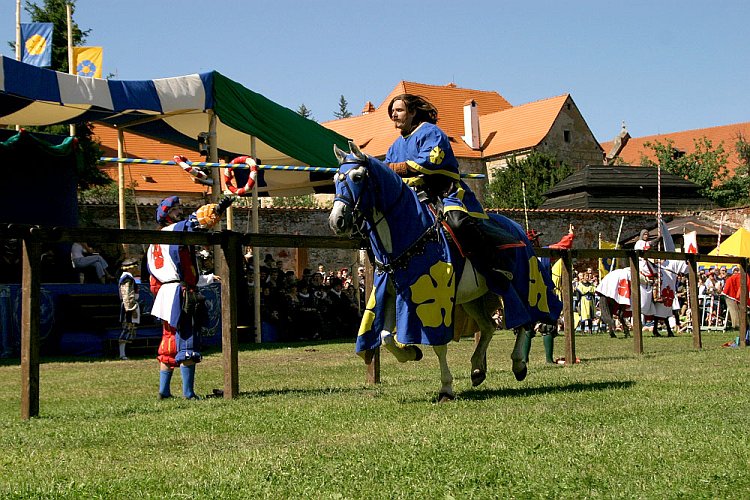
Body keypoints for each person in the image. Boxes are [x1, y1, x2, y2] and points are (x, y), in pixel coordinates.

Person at [385, 94, 523, 289]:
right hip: (413, 198)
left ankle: (495, 265)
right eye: (392, 111)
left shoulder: (430, 132)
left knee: (457, 223)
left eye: (398, 110)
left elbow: (430, 160)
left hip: (442, 192)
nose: (394, 114)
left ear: (413, 112)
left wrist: (397, 168)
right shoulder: (394, 147)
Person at [148, 194, 232, 400]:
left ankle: (164, 391)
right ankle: (188, 393)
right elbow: (198, 220)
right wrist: (219, 208)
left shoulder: (153, 242)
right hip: (180, 294)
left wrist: (206, 278)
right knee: (187, 341)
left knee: (169, 342)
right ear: (166, 215)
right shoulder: (174, 231)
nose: (180, 211)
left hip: (166, 293)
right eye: (175, 209)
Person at [117, 258, 140, 360]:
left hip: (129, 305)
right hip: (129, 307)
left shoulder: (127, 278)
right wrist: (131, 309)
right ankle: (122, 354)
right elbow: (127, 295)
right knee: (127, 328)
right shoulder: (127, 278)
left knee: (129, 329)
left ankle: (124, 353)